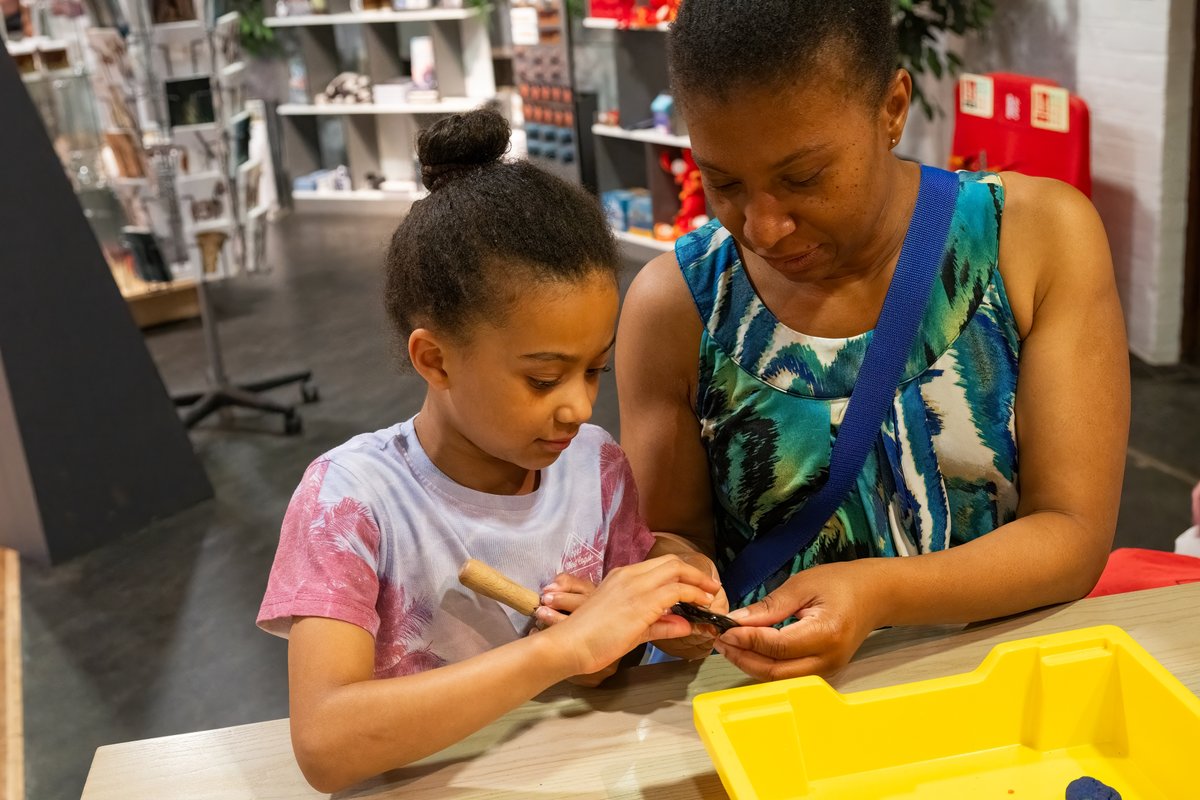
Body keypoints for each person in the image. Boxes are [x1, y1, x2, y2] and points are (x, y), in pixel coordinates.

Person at [615, 0, 1130, 678]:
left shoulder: (1034, 243)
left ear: (892, 109)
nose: (765, 228)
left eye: (804, 178)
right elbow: (675, 536)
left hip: (994, 694)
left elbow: (1071, 533)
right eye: (725, 182)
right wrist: (673, 595)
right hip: (773, 705)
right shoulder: (677, 304)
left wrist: (876, 595)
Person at [257, 109, 719, 793]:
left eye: (595, 369)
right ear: (435, 359)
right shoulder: (349, 501)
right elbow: (326, 744)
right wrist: (559, 652)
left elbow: (604, 665)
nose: (582, 408)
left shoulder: (594, 467)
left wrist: (660, 620)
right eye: (542, 378)